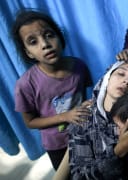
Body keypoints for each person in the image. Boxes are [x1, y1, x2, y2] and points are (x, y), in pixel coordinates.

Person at [13, 10, 92, 170]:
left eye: (49, 35)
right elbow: (30, 122)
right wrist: (65, 116)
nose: (45, 44)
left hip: (85, 133)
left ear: (59, 37)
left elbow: (84, 97)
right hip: (57, 145)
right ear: (28, 52)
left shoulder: (79, 66)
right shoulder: (25, 85)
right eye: (33, 42)